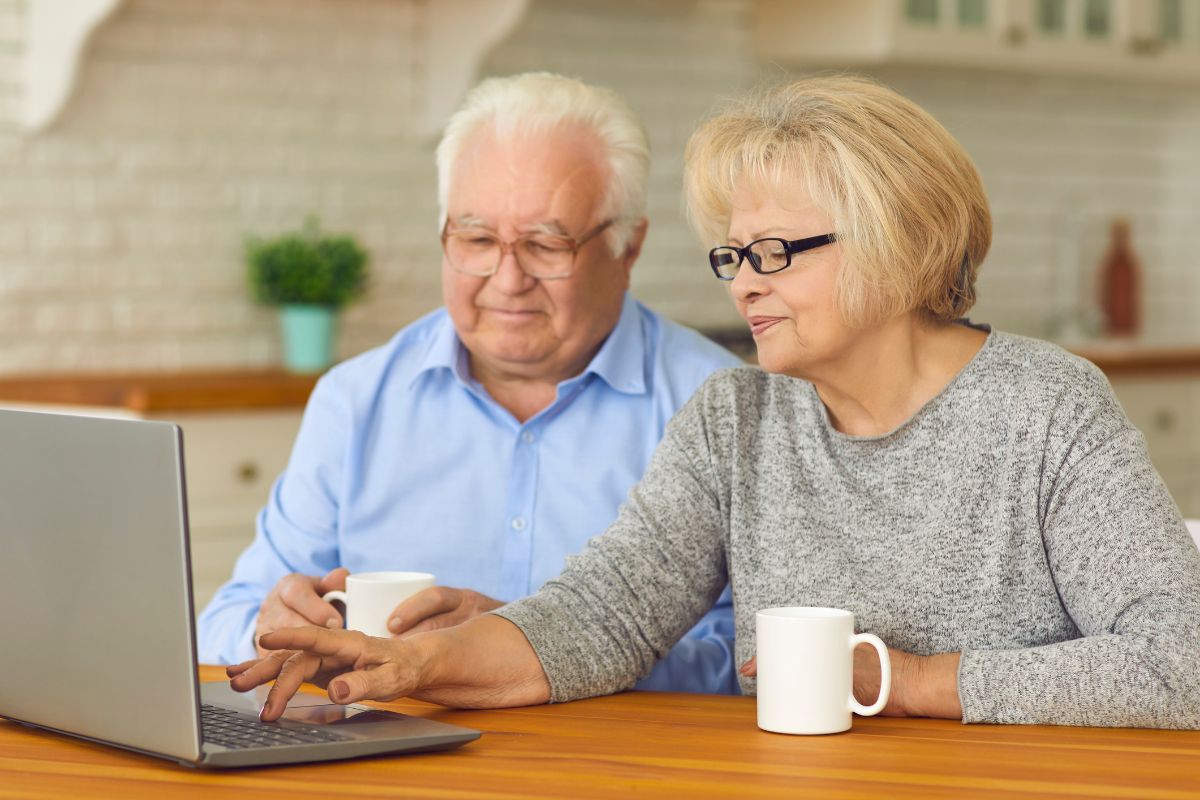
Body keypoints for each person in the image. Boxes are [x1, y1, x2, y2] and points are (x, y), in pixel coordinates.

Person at [229, 76, 1200, 728]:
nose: (744, 285)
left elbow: (1182, 658)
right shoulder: (739, 419)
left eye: (776, 253)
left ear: (898, 241)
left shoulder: (1045, 408)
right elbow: (602, 614)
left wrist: (904, 679)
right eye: (735, 256)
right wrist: (408, 666)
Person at [197, 72, 744, 695]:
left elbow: (753, 665)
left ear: (629, 247)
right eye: (478, 239)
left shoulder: (721, 411)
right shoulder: (356, 401)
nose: (506, 280)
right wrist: (274, 628)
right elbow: (221, 625)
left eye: (546, 244)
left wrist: (529, 651)